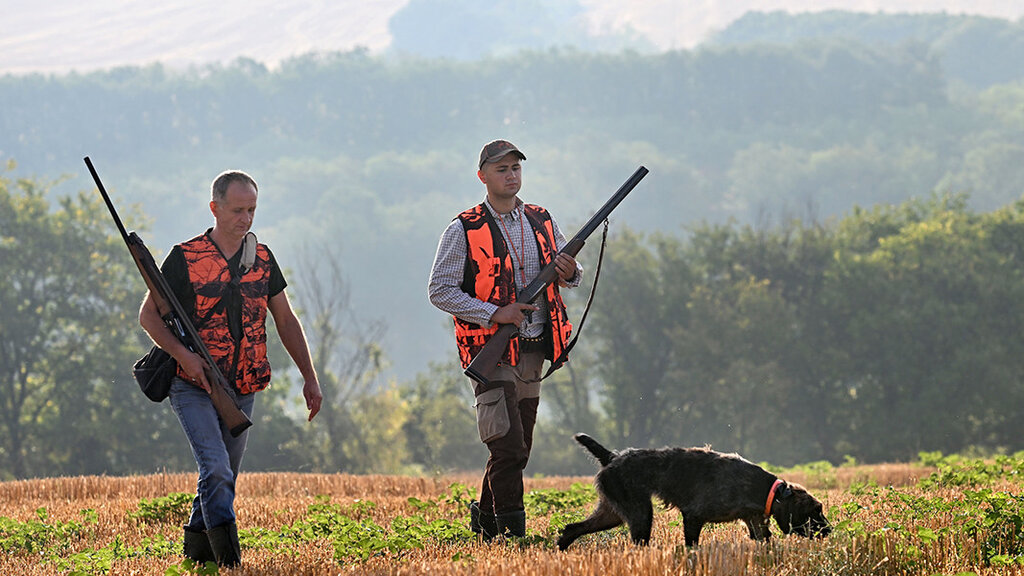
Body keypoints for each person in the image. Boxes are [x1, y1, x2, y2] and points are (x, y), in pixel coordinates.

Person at [139, 170, 322, 567]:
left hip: (243, 385)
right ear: (215, 208)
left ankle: (197, 555)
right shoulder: (185, 258)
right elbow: (148, 317)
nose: (246, 218)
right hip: (192, 384)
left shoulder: (263, 259)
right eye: (238, 210)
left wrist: (310, 377)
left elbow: (286, 321)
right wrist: (183, 355)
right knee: (217, 468)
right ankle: (230, 562)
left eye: (252, 209)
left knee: (223, 477)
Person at [428, 140, 582, 539]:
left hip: (533, 347)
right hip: (489, 351)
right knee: (508, 447)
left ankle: (485, 522)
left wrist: (569, 270)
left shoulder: (542, 219)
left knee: (515, 448)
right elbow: (440, 290)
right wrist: (496, 313)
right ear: (482, 176)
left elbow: (572, 272)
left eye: (515, 168)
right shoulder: (463, 228)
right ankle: (513, 536)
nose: (511, 175)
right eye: (502, 169)